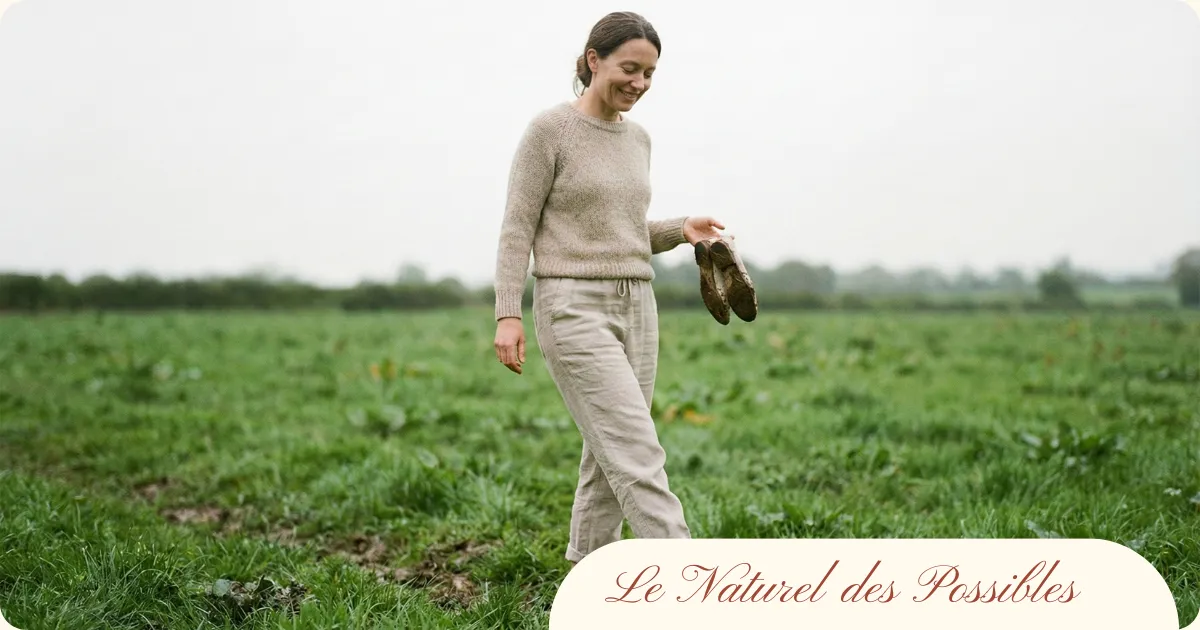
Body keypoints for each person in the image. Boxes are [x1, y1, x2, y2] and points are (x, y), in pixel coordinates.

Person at [491, 11, 727, 565]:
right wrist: (507, 314)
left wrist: (681, 230)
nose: (639, 83)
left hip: (638, 305)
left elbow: (622, 232)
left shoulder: (638, 139)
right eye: (629, 68)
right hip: (572, 307)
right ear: (594, 60)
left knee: (610, 452)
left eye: (649, 74)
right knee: (637, 453)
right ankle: (689, 579)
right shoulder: (550, 131)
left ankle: (589, 575)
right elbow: (517, 227)